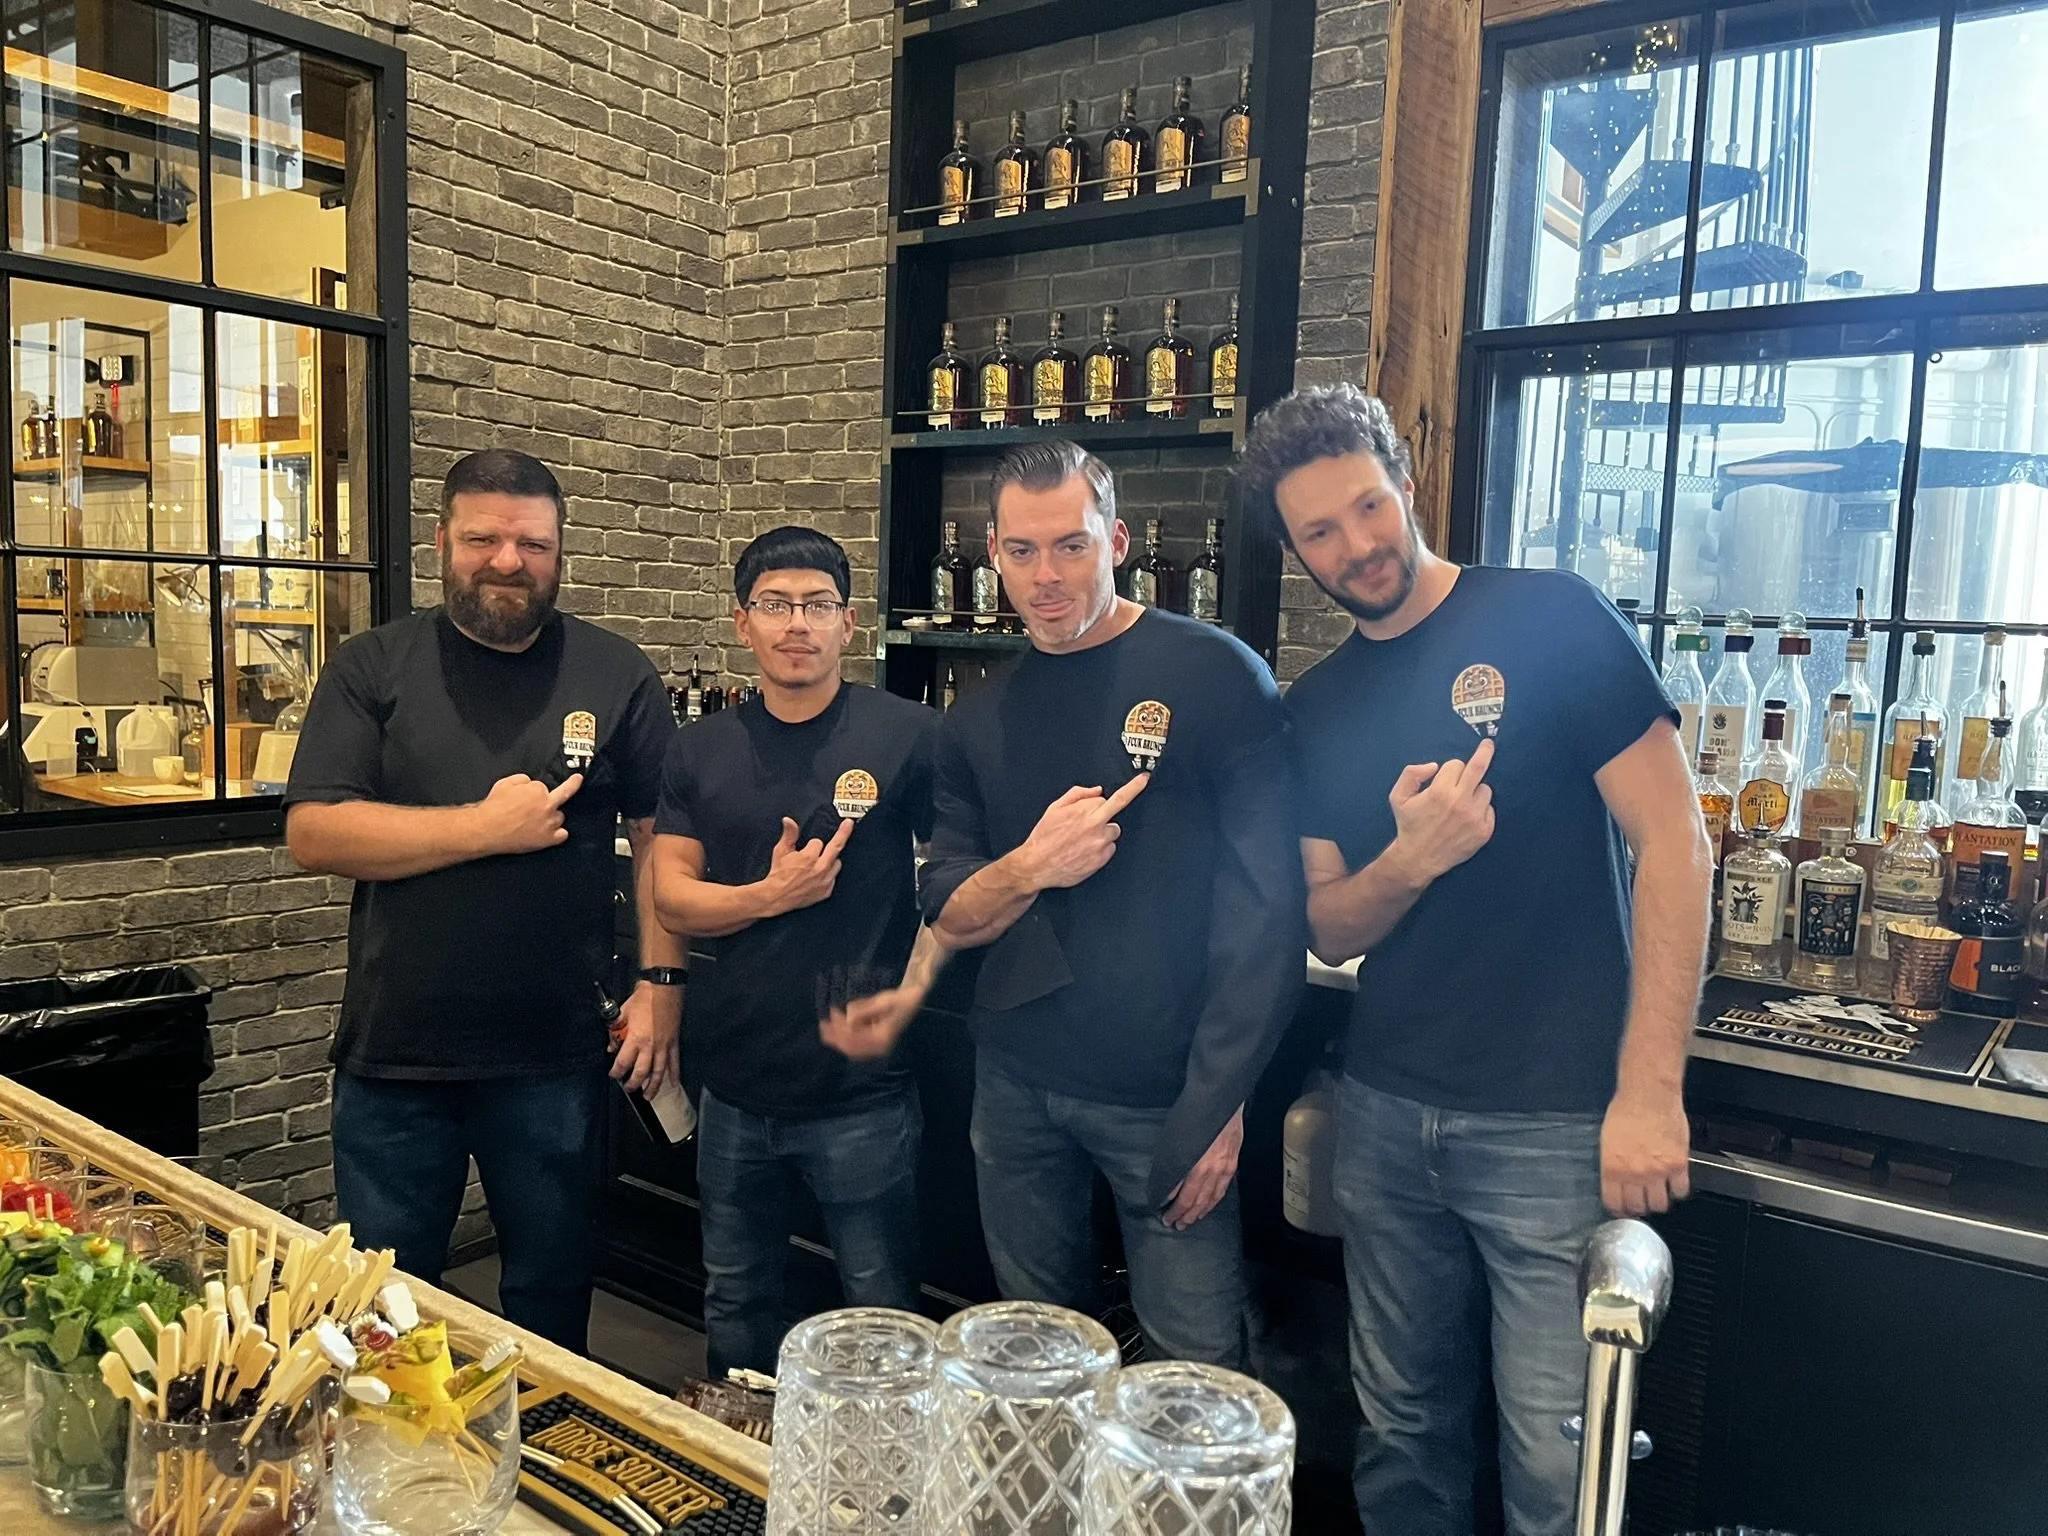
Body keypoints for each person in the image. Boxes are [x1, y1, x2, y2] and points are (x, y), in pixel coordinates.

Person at [1241, 385, 1710, 1535]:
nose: (1354, 544)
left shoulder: (1552, 620)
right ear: (1292, 550)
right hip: (1387, 1115)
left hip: (1556, 1123)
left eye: (1365, 506)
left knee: (1562, 1457)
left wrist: (1648, 1092)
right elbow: (1329, 924)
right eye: (1318, 531)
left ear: (1404, 482)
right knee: (1401, 1438)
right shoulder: (1318, 703)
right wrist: (1410, 859)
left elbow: (1677, 847)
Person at [834, 440, 1302, 1369]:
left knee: (1193, 1374)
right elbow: (953, 911)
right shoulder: (977, 718)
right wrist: (1034, 865)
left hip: (1169, 1093)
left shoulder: (1218, 676)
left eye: (1072, 546)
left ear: (1116, 540)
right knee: (1034, 1359)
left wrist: (1221, 1100)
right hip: (1015, 1087)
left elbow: (1268, 914)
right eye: (1021, 551)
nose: (1046, 576)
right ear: (993, 555)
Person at [285, 448, 682, 1354]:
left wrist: (663, 984)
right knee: (384, 1313)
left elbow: (663, 836)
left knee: (550, 1297)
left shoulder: (617, 673)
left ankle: (538, 1472)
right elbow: (315, 833)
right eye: (485, 539)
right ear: (441, 544)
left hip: (552, 1060)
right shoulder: (372, 665)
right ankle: (398, 1486)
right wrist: (484, 827)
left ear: (560, 552)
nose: (509, 560)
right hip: (395, 1057)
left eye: (533, 543)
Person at [649, 526, 940, 1378]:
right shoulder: (700, 748)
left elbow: (956, 885)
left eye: (817, 605)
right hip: (734, 1088)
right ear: (744, 624)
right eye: (775, 605)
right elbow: (671, 894)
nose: (796, 624)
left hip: (863, 1095)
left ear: (849, 624)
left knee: (882, 1308)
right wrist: (766, 897)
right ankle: (746, 1473)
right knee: (736, 1299)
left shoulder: (907, 736)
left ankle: (889, 1490)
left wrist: (917, 989)